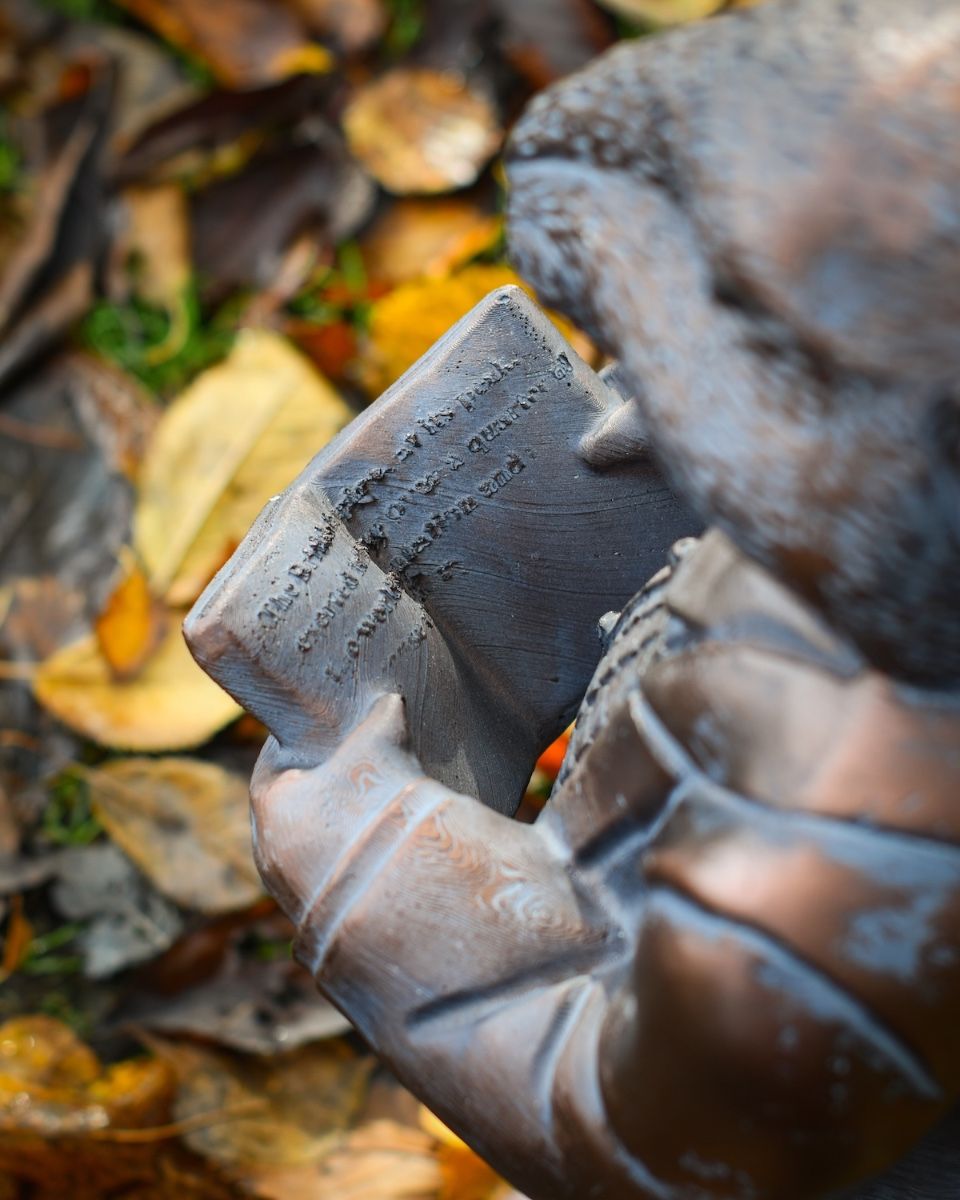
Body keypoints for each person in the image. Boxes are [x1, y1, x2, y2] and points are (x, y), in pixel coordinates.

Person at [249, 1, 960, 1195]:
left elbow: (632, 1132)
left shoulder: (835, 883)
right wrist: (716, 443)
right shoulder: (897, 567)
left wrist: (368, 871)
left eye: (722, 344)